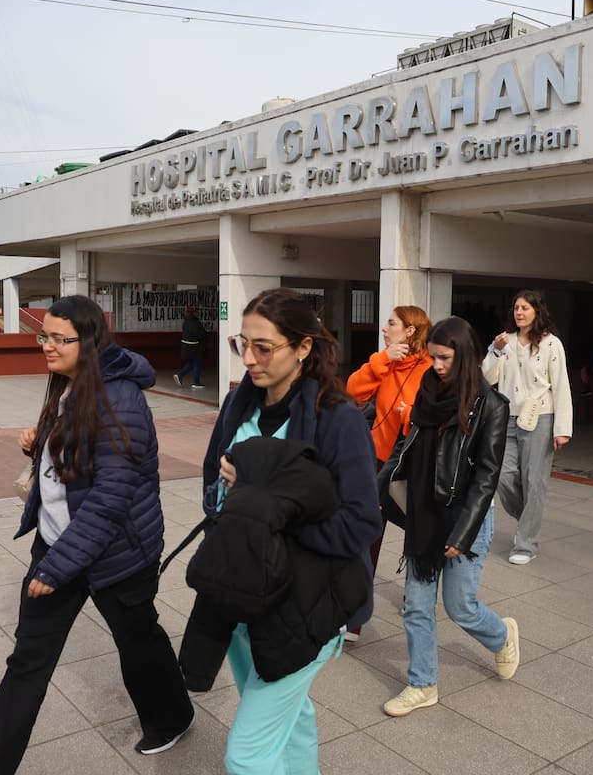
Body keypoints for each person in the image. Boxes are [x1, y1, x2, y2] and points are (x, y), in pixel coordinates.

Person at [0, 296, 194, 774]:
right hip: (60, 543)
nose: (48, 346)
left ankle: (172, 717)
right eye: (44, 336)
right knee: (28, 662)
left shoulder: (120, 398)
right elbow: (80, 462)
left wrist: (55, 568)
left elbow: (111, 496)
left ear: (91, 342)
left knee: (138, 640)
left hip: (118, 553)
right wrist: (40, 446)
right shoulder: (69, 385)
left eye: (61, 339)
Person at [200, 287, 381, 774]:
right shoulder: (238, 404)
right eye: (243, 344)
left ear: (303, 347)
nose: (249, 359)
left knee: (247, 757)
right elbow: (213, 480)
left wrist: (262, 506)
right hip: (242, 595)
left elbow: (362, 520)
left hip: (304, 603)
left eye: (264, 347)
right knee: (290, 716)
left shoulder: (337, 418)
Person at [380, 316, 518, 716]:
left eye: (445, 358)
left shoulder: (491, 406)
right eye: (433, 357)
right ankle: (422, 684)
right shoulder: (426, 391)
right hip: (425, 514)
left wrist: (463, 533)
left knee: (460, 607)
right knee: (417, 606)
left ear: (466, 356)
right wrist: (382, 482)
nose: (437, 366)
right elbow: (407, 445)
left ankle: (502, 636)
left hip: (464, 518)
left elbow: (487, 478)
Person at [345, 305, 432, 639]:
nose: (384, 328)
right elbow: (353, 390)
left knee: (417, 532)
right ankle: (354, 618)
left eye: (391, 323)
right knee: (368, 534)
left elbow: (429, 416)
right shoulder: (385, 363)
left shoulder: (429, 368)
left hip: (414, 467)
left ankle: (417, 595)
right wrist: (382, 360)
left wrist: (408, 413)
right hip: (378, 463)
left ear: (410, 330)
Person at [482, 290, 574, 565]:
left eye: (525, 308)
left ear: (537, 311)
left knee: (535, 482)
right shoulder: (505, 341)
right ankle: (529, 521)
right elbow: (486, 378)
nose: (519, 312)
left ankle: (526, 544)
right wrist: (495, 350)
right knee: (502, 475)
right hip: (508, 418)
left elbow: (561, 385)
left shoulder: (551, 344)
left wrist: (562, 429)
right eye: (516, 308)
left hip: (540, 418)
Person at [174, 305, 208, 389]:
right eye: (197, 312)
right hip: (194, 347)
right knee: (197, 363)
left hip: (187, 347)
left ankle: (180, 375)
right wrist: (205, 336)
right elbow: (199, 334)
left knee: (192, 363)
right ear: (194, 312)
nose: (198, 313)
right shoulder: (194, 322)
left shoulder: (186, 321)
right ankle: (195, 382)